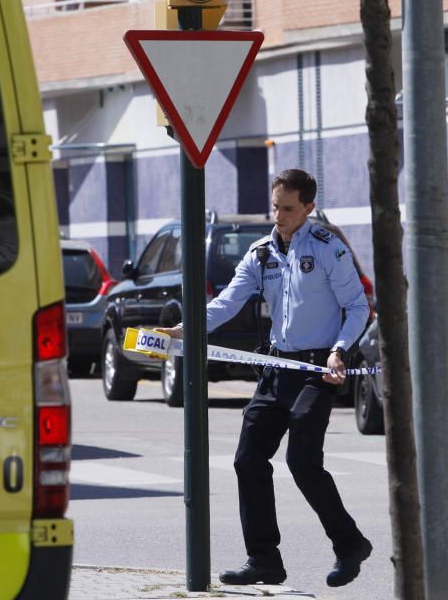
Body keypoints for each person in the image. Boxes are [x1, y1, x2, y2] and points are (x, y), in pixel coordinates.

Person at [159, 169, 372, 588]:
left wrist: (339, 351)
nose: (278, 215)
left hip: (316, 372)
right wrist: (186, 329)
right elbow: (226, 303)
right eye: (274, 206)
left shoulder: (329, 248)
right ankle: (264, 560)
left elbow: (358, 307)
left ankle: (349, 544)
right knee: (248, 460)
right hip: (276, 370)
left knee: (302, 462)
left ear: (308, 208)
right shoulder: (261, 253)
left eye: (288, 208)